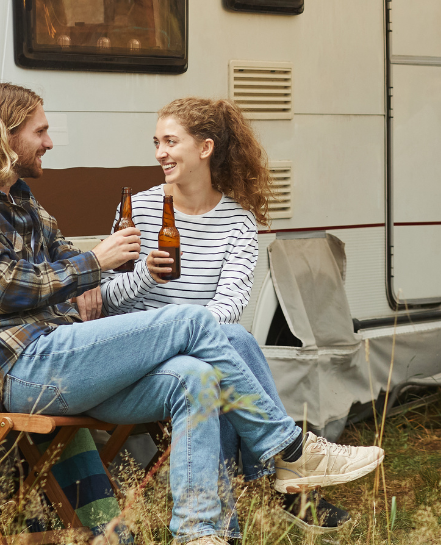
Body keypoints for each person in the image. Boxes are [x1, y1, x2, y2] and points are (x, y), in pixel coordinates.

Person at [0, 82, 383, 545]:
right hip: (32, 369)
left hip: (79, 364)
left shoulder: (24, 204)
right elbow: (8, 287)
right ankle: (290, 451)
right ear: (5, 134)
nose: (50, 142)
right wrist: (93, 265)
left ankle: (203, 534)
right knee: (194, 321)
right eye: (41, 132)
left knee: (195, 379)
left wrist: (86, 275)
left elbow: (84, 281)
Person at [76, 97, 350, 535]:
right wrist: (146, 277)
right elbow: (109, 301)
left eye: (170, 141)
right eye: (156, 142)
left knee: (223, 352)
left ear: (204, 149)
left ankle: (221, 528)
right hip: (143, 355)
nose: (159, 153)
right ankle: (282, 478)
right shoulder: (141, 209)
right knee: (235, 344)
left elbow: (231, 303)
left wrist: (196, 337)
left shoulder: (238, 221)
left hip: (202, 356)